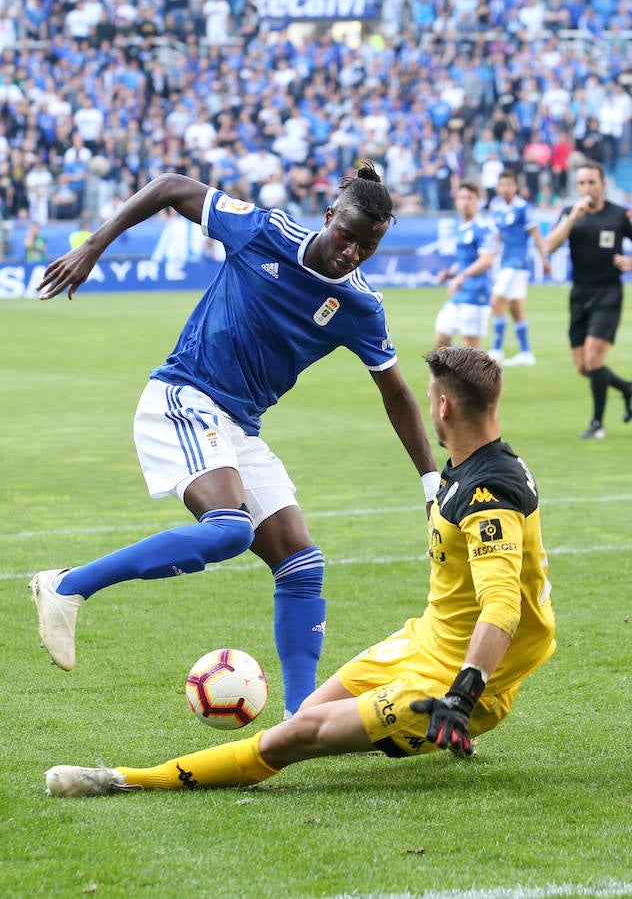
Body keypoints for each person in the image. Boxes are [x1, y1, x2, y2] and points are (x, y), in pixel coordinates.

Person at [43, 346, 557, 799]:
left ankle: (123, 779)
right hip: (425, 641)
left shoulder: (488, 495)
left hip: (456, 683)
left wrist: (463, 695)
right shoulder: (473, 462)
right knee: (308, 711)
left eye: (430, 400)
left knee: (292, 739)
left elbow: (503, 605)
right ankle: (394, 728)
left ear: (444, 406)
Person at [30, 162, 438, 720]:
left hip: (238, 425)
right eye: (348, 236)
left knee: (301, 564)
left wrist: (431, 480)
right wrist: (94, 246)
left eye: (368, 246)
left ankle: (300, 721)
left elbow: (397, 394)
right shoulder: (265, 231)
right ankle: (67, 586)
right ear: (328, 217)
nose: (352, 253)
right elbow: (170, 185)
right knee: (228, 531)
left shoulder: (360, 307)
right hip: (183, 396)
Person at [545, 160, 632, 439]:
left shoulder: (620, 215)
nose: (586, 187)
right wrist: (572, 218)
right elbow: (549, 246)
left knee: (594, 356)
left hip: (608, 292)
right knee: (584, 366)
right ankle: (628, 389)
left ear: (603, 184)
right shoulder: (571, 212)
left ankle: (597, 424)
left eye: (591, 182)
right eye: (581, 183)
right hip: (580, 294)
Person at [488, 170, 551, 367]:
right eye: (502, 185)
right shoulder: (496, 208)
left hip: (517, 263)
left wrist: (544, 259)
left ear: (516, 187)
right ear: (498, 188)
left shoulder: (523, 208)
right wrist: (493, 254)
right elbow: (497, 236)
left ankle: (497, 350)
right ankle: (526, 353)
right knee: (516, 309)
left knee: (496, 299)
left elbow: (536, 234)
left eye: (509, 184)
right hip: (504, 262)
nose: (505, 188)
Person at [435, 180, 497, 348]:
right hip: (460, 293)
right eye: (462, 198)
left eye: (470, 198)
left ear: (478, 200)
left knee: (472, 348)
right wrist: (449, 274)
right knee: (441, 339)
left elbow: (486, 260)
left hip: (476, 294)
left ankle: (487, 373)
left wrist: (462, 276)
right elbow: (464, 262)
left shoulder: (483, 228)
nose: (465, 202)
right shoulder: (462, 228)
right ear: (457, 201)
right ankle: (460, 371)